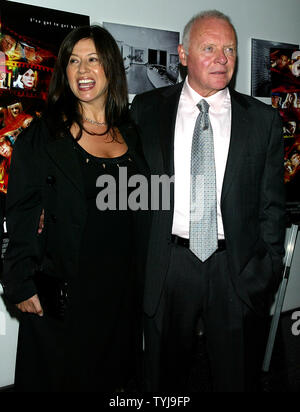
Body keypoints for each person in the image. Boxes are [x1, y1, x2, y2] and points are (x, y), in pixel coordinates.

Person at [131, 10, 286, 392]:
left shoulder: (262, 121)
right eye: (210, 48)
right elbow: (131, 191)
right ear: (182, 55)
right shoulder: (145, 110)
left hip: (234, 270)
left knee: (236, 378)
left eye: (230, 49)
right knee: (163, 381)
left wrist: (263, 271)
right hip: (169, 267)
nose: (223, 58)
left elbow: (272, 205)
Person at [1, 24, 149, 392]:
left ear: (111, 68)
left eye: (93, 60)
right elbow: (21, 210)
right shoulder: (43, 135)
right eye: (73, 61)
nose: (83, 71)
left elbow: (143, 205)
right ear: (64, 72)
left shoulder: (131, 133)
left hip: (119, 292)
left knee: (113, 379)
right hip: (63, 293)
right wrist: (19, 282)